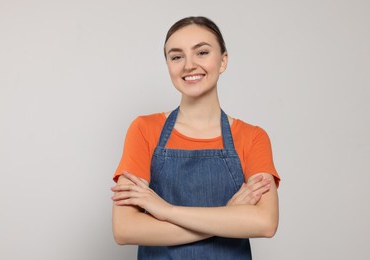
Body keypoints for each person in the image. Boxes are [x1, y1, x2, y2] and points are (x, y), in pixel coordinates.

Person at [111, 16, 280, 259]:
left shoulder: (253, 137)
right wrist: (227, 216)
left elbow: (265, 223)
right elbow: (125, 229)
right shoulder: (144, 129)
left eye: (201, 52)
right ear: (168, 65)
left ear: (223, 61)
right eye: (177, 56)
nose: (189, 65)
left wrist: (165, 210)